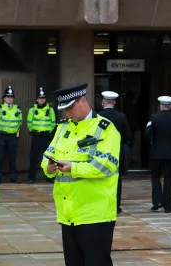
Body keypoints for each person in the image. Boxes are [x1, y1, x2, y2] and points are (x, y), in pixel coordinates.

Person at [42, 83, 121, 266]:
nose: (67, 113)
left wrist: (73, 168)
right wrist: (49, 167)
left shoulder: (105, 129)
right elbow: (48, 154)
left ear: (83, 101)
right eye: (65, 109)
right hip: (68, 213)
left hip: (95, 214)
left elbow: (104, 166)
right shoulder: (63, 128)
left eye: (70, 107)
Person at [145, 96, 171, 212]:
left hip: (156, 153)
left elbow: (147, 133)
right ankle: (168, 205)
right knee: (169, 179)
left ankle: (157, 202)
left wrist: (151, 145)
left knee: (156, 177)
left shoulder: (154, 118)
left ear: (160, 106)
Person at [99, 90, 132, 213]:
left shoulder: (98, 116)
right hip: (116, 151)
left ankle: (103, 204)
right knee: (116, 179)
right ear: (114, 103)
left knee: (100, 178)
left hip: (101, 152)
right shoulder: (121, 117)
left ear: (103, 103)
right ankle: (116, 205)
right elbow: (128, 135)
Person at [26, 87, 56, 184]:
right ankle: (31, 177)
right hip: (36, 136)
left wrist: (48, 131)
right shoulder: (32, 110)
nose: (42, 100)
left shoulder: (50, 110)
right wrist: (32, 130)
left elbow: (53, 122)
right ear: (37, 99)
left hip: (46, 137)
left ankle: (49, 176)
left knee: (48, 158)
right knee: (34, 157)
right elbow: (29, 122)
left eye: (43, 98)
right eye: (40, 98)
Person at [0, 85, 23, 183]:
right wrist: (0, 130)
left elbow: (20, 122)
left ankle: (13, 178)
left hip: (13, 137)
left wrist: (14, 130)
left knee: (12, 158)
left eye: (11, 97)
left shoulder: (18, 109)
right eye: (8, 97)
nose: (10, 99)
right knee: (0, 158)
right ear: (4, 98)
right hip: (2, 136)